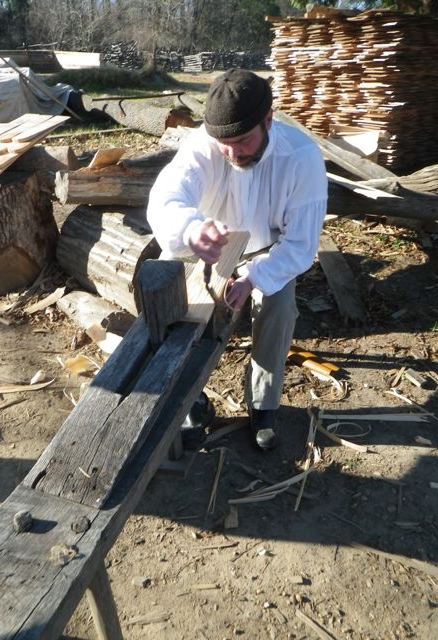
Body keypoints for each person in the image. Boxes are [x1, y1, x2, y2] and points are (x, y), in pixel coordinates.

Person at [147, 69, 328, 452]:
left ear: (268, 119)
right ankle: (188, 398)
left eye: (244, 141)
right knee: (167, 289)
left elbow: (300, 245)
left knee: (279, 308)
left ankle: (263, 405)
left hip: (269, 253)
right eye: (224, 144)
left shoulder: (302, 157)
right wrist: (191, 230)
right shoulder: (203, 144)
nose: (233, 153)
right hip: (209, 243)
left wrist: (252, 279)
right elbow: (166, 198)